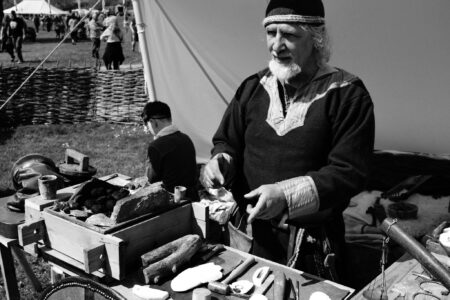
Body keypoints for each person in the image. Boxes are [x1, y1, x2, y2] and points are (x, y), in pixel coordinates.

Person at [201, 0, 375, 283]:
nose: (276, 46)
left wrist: (284, 195)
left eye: (290, 35)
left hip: (312, 247)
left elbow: (349, 172)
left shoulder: (348, 95)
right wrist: (220, 162)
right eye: (272, 34)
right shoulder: (253, 87)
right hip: (251, 236)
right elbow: (227, 141)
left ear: (317, 39)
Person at [139, 101, 198, 200]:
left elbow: (151, 180)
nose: (148, 129)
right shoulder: (186, 138)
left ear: (154, 122)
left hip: (172, 201)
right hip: (192, 197)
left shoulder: (156, 146)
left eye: (147, 124)